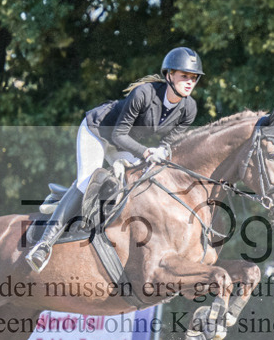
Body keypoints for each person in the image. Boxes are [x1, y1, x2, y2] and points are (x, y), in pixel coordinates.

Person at [26, 47, 204, 272]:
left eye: (194, 78)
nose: (190, 82)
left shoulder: (189, 108)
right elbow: (119, 134)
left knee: (141, 181)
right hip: (98, 132)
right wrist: (147, 152)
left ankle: (64, 198)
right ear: (169, 75)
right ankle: (44, 245)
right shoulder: (144, 93)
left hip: (126, 143)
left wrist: (159, 152)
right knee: (88, 181)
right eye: (184, 76)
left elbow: (167, 143)